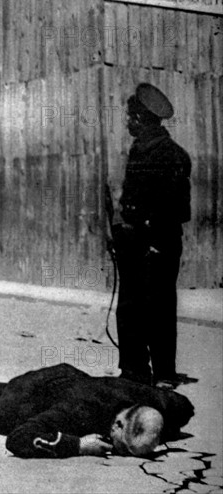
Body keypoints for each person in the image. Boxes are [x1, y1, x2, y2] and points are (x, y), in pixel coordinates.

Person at [0, 363, 194, 459]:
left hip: (61, 379)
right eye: (121, 448)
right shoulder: (79, 412)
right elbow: (18, 439)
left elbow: (184, 406)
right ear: (115, 425)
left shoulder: (158, 402)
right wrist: (78, 444)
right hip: (23, 400)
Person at [111, 83, 191, 389]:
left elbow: (178, 208)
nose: (127, 122)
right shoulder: (143, 149)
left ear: (142, 119)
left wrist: (152, 237)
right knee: (134, 306)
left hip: (157, 243)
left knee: (156, 307)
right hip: (138, 242)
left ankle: (163, 374)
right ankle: (134, 369)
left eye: (130, 117)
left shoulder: (170, 155)